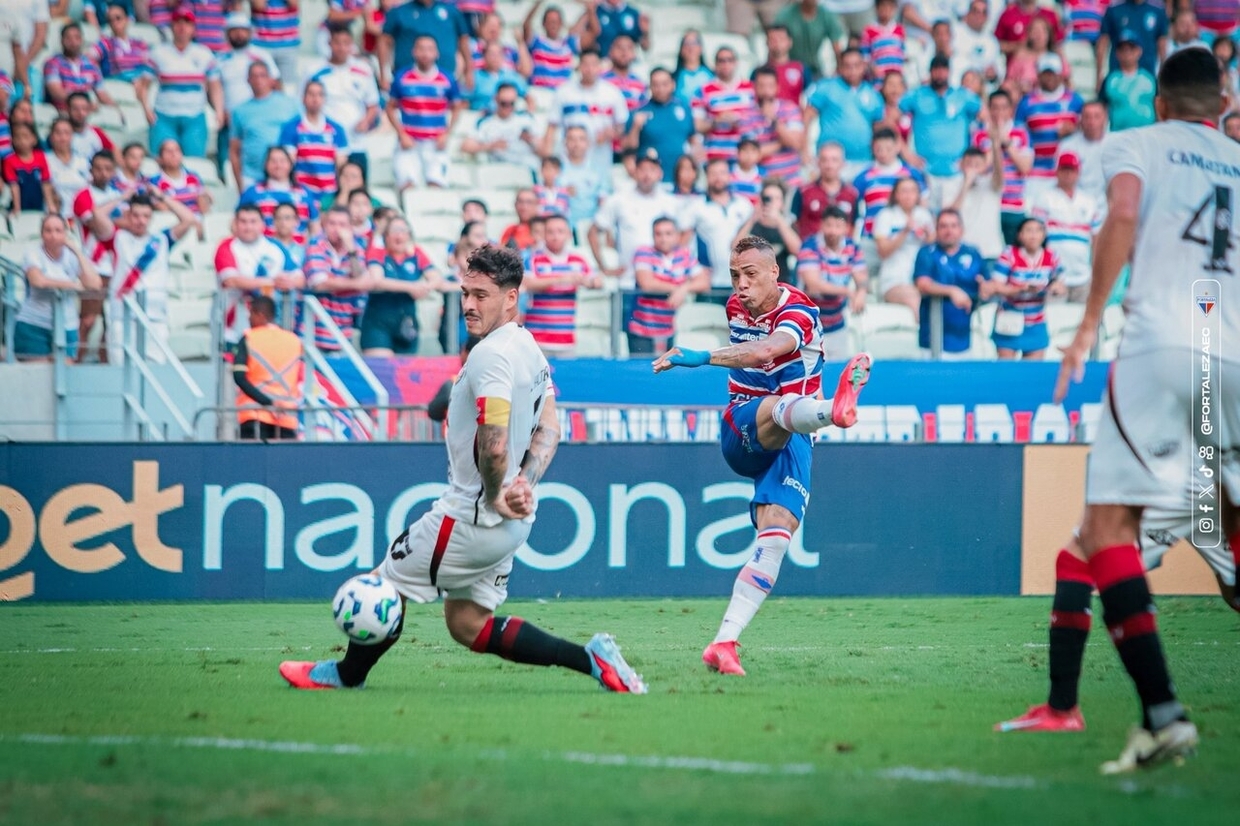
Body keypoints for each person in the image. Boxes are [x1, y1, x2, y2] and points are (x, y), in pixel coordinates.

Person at [280, 244, 648, 694]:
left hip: (470, 518)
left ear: (511, 298)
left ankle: (345, 675)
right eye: (465, 293)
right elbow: (551, 426)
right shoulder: (527, 345)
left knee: (382, 585)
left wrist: (496, 494)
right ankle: (592, 660)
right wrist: (524, 483)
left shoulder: (491, 355)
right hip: (509, 524)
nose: (469, 305)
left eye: (481, 295)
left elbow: (494, 446)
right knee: (468, 624)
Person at [1017, 48, 1240, 771]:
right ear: (1223, 104)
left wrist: (1087, 325)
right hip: (1233, 357)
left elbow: (1120, 214)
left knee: (1103, 529)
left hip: (1164, 344)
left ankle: (1162, 714)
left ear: (1161, 103)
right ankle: (1079, 707)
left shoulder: (1136, 142)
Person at [652, 235, 872, 676]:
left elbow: (768, 349)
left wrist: (701, 356)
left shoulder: (800, 312)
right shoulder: (736, 307)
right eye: (735, 275)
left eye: (750, 274)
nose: (741, 284)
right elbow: (754, 357)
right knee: (780, 405)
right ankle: (834, 410)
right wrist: (705, 356)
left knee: (775, 539)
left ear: (775, 272)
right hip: (744, 424)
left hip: (796, 436)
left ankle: (724, 643)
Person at [95, 190, 198, 363]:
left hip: (155, 317)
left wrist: (162, 197)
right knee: (119, 367)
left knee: (155, 367)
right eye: (135, 215)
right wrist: (123, 197)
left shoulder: (162, 240)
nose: (141, 220)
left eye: (146, 216)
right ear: (128, 215)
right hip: (122, 315)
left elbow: (188, 219)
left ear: (152, 218)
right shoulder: (117, 238)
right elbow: (97, 215)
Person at [215, 203, 305, 349]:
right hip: (234, 327)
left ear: (262, 224)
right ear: (235, 224)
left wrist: (289, 282)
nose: (248, 227)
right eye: (243, 222)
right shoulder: (226, 247)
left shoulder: (276, 247)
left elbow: (300, 279)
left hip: (273, 326)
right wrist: (272, 282)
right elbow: (231, 281)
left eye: (253, 221)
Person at [15, 213, 102, 362]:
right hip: (34, 324)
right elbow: (38, 281)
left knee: (66, 371)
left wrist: (77, 251)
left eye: (58, 230)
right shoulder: (33, 253)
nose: (53, 235)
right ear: (41, 233)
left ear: (65, 233)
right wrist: (73, 285)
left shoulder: (71, 256)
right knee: (39, 373)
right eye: (48, 230)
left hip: (67, 325)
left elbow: (95, 284)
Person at [589, 148, 681, 287]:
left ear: (659, 173)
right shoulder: (619, 199)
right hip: (629, 281)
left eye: (652, 169)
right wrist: (604, 267)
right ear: (635, 172)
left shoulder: (670, 202)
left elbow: (683, 236)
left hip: (665, 280)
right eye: (642, 169)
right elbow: (592, 232)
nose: (647, 175)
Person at [388, 36, 464, 193]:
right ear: (414, 52)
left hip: (436, 142)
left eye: (430, 49)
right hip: (409, 141)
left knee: (436, 187)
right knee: (407, 187)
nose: (425, 53)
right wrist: (401, 134)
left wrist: (447, 133)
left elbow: (457, 107)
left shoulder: (447, 78)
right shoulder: (402, 77)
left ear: (436, 53)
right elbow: (390, 107)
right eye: (421, 49)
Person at [360, 216, 446, 355]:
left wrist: (425, 287)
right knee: (382, 366)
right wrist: (411, 287)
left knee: (405, 367)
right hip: (379, 321)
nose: (399, 236)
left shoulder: (416, 253)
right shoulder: (378, 252)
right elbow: (377, 280)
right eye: (394, 231)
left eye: (403, 231)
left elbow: (436, 278)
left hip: (406, 322)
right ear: (386, 235)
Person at [144, 9, 223, 158]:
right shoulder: (158, 53)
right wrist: (146, 109)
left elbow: (215, 85)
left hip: (194, 115)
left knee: (194, 160)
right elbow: (143, 85)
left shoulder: (204, 53)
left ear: (193, 28)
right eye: (178, 22)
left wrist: (219, 111)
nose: (182, 27)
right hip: (164, 115)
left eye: (187, 23)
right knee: (161, 160)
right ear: (172, 26)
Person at [541, 48, 628, 183]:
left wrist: (611, 133)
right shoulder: (564, 92)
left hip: (600, 155)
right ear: (579, 66)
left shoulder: (612, 93)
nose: (590, 69)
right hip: (568, 156)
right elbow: (552, 127)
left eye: (594, 64)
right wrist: (547, 159)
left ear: (600, 66)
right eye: (586, 64)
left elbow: (622, 126)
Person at [627, 215, 710, 356]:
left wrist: (684, 289)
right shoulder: (644, 252)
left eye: (668, 233)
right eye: (658, 234)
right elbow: (647, 283)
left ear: (677, 235)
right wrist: (677, 289)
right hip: (642, 329)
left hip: (670, 329)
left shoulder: (685, 254)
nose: (663, 238)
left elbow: (704, 282)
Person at [306, 23, 381, 175]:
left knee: (356, 186)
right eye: (337, 43)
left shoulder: (363, 70)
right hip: (326, 143)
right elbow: (303, 102)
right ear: (329, 43)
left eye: (346, 43)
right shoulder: (314, 71)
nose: (341, 48)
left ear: (352, 45)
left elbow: (373, 104)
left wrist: (366, 121)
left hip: (356, 142)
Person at [985, 216, 1063, 359]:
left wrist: (1055, 288)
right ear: (1020, 235)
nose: (1033, 235)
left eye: (1038, 231)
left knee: (1033, 369)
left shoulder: (1052, 256)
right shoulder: (1009, 255)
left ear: (1044, 235)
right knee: (1007, 368)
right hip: (1009, 319)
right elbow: (996, 286)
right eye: (1028, 231)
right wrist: (1020, 289)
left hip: (1036, 321)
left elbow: (1060, 284)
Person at [72, 149, 125, 362]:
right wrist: (116, 214)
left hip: (118, 265)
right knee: (88, 319)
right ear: (91, 170)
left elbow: (129, 223)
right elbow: (100, 227)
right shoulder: (83, 195)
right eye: (99, 168)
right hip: (93, 266)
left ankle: (107, 363)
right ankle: (74, 361)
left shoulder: (118, 194)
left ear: (114, 171)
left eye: (108, 169)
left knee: (112, 321)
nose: (103, 173)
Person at [913, 208, 986, 358]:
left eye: (953, 226)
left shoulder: (973, 253)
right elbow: (922, 284)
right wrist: (952, 291)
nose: (949, 231)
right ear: (937, 229)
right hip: (933, 338)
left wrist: (986, 288)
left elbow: (987, 282)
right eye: (944, 226)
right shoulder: (927, 253)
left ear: (961, 229)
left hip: (965, 337)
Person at [797, 206, 867, 360]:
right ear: (821, 225)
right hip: (809, 326)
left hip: (837, 324)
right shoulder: (809, 247)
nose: (833, 231)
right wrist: (847, 291)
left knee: (838, 369)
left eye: (838, 226)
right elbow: (813, 285)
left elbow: (861, 277)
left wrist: (861, 293)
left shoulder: (853, 248)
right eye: (829, 225)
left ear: (846, 228)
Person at [523, 213, 600, 353]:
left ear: (569, 234)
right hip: (536, 339)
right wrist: (561, 279)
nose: (555, 236)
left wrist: (588, 282)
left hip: (565, 339)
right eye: (550, 232)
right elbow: (527, 284)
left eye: (560, 231)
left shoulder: (578, 260)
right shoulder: (533, 259)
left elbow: (598, 281)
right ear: (544, 234)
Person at [1030, 152, 1099, 303]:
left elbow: (1096, 239)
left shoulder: (1089, 201)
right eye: (1064, 169)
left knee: (1082, 315)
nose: (1068, 174)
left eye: (1072, 170)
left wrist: (1096, 271)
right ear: (1057, 171)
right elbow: (1035, 236)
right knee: (1054, 315)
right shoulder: (1044, 198)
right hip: (1053, 275)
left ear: (1078, 173)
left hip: (1083, 274)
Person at [1017, 54, 1084, 208]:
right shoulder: (1026, 103)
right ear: (1038, 75)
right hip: (1036, 174)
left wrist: (1074, 129)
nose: (1049, 78)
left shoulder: (1075, 101)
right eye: (1045, 73)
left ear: (1060, 74)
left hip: (1066, 173)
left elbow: (1088, 129)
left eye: (1053, 73)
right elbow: (1019, 136)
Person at [215, 13, 279, 175]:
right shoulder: (220, 59)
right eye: (234, 30)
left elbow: (276, 84)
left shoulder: (261, 55)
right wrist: (220, 111)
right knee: (226, 165)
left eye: (243, 30)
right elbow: (214, 89)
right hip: (229, 121)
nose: (239, 34)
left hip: (257, 120)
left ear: (250, 32)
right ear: (227, 33)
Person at [233, 294, 303, 441]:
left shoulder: (249, 338)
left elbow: (239, 377)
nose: (249, 319)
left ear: (260, 315)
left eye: (251, 314)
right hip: (286, 416)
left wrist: (268, 403)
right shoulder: (294, 341)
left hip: (254, 414)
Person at [680, 157, 754, 292]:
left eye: (722, 173)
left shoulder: (744, 204)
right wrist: (693, 269)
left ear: (729, 176)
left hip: (742, 281)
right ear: (706, 177)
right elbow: (683, 244)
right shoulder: (696, 206)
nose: (718, 177)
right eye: (713, 173)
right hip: (709, 282)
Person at [973, 89, 1034, 245]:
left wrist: (1006, 142)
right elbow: (980, 168)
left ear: (1011, 109)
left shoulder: (1021, 133)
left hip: (1014, 205)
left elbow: (1025, 167)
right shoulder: (979, 134)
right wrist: (994, 142)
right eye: (995, 107)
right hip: (988, 203)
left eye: (1003, 107)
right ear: (989, 109)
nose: (999, 112)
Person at [304, 205, 369, 350]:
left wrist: (351, 252)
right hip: (313, 331)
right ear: (324, 225)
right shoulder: (315, 245)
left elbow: (358, 274)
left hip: (343, 330)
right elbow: (320, 283)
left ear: (350, 227)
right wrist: (356, 284)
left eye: (342, 225)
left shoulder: (355, 248)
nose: (336, 229)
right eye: (332, 223)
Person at [230, 61, 300, 190]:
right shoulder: (239, 111)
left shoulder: (290, 104)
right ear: (248, 80)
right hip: (252, 176)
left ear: (270, 79)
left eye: (262, 75)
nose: (258, 80)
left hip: (284, 177)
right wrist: (240, 185)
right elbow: (234, 151)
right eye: (254, 76)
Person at [873, 177, 935, 319]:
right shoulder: (886, 215)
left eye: (913, 191)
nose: (909, 195)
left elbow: (932, 247)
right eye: (904, 191)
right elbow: (882, 251)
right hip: (894, 280)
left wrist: (929, 237)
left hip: (921, 278)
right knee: (917, 302)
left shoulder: (924, 215)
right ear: (896, 194)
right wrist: (905, 231)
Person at [280, 80, 349, 206]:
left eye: (319, 95)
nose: (315, 99)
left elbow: (342, 166)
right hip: (302, 196)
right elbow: (288, 165)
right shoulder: (291, 128)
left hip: (330, 196)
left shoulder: (336, 129)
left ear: (324, 99)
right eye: (311, 94)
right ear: (303, 98)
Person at [626, 67, 697, 184]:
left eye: (665, 84)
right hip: (651, 182)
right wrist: (636, 127)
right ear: (650, 86)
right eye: (656, 85)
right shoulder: (640, 112)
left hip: (680, 181)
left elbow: (693, 139)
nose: (660, 89)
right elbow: (627, 148)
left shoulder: (684, 108)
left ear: (673, 84)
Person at [239, 146, 320, 244]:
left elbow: (315, 227)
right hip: (263, 249)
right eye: (273, 161)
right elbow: (237, 224)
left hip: (298, 249)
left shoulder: (305, 193)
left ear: (290, 164)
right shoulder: (252, 192)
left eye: (282, 161)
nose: (278, 165)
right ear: (265, 164)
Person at [745, 66, 805, 189]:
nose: (766, 91)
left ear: (777, 87)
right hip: (762, 182)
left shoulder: (790, 109)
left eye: (770, 86)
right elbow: (751, 154)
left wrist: (774, 120)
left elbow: (797, 143)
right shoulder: (747, 115)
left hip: (792, 180)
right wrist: (783, 142)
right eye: (761, 86)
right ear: (754, 87)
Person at [460, 82, 540, 172]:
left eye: (511, 103)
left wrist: (530, 140)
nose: (508, 107)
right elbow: (466, 146)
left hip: (526, 167)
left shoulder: (526, 119)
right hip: (498, 170)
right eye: (504, 103)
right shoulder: (485, 122)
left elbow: (544, 149)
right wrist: (491, 146)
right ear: (496, 99)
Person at [736, 178, 801, 285]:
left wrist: (779, 220)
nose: (772, 202)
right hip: (753, 284)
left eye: (777, 198)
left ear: (783, 202)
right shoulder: (751, 223)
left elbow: (797, 251)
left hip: (781, 283)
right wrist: (752, 219)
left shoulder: (788, 224)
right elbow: (735, 248)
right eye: (768, 198)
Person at [792, 142, 859, 241]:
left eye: (834, 160)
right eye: (824, 160)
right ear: (817, 162)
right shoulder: (803, 192)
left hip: (842, 249)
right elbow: (794, 224)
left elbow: (854, 226)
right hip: (809, 248)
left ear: (843, 163)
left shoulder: (852, 194)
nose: (829, 165)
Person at [42, 22, 115, 112]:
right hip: (64, 111)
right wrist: (81, 104)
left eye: (77, 38)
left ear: (82, 40)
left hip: (88, 110)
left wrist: (116, 109)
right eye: (68, 38)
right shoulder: (52, 63)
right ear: (61, 41)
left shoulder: (92, 64)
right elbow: (56, 92)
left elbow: (101, 92)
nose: (73, 42)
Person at [1096, 0, 1167, 85]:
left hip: (1147, 74)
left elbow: (1162, 45)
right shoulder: (1114, 9)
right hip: (1118, 75)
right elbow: (1103, 43)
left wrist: (1163, 75)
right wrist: (1099, 75)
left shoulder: (1157, 10)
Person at [1098, 33, 1157, 132]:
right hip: (1118, 133)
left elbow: (1159, 104)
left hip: (1147, 132)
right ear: (1117, 53)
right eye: (1123, 49)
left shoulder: (1150, 79)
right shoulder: (1110, 80)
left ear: (1139, 51)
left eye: (1131, 49)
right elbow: (1102, 107)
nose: (1127, 52)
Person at [523, 0, 586, 90]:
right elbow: (526, 25)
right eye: (550, 22)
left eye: (556, 22)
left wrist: (589, 7)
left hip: (562, 93)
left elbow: (589, 31)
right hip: (540, 91)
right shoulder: (536, 42)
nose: (553, 25)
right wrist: (537, 3)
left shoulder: (568, 44)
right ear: (543, 24)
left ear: (561, 24)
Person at [1058, 100, 1108, 203]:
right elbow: (1062, 180)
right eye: (1087, 117)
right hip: (1075, 203)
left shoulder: (1116, 144)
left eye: (1097, 116)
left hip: (1107, 203)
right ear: (1080, 119)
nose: (1091, 122)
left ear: (1105, 118)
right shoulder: (1067, 146)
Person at [149, 137, 211, 218]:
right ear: (160, 158)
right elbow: (163, 209)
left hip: (198, 220)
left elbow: (204, 208)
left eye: (177, 150)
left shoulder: (193, 176)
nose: (174, 154)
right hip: (173, 222)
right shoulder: (154, 182)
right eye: (169, 151)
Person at [2, 121, 53, 215]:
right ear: (12, 140)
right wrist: (17, 208)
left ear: (34, 139)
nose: (21, 141)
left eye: (25, 136)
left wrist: (50, 206)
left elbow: (45, 183)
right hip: (21, 202)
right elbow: (14, 185)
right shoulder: (9, 160)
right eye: (17, 137)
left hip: (38, 202)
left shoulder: (40, 156)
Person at [45, 118, 90, 219]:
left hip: (83, 216)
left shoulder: (83, 161)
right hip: (54, 216)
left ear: (72, 136)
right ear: (51, 136)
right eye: (58, 133)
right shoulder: (45, 160)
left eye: (66, 133)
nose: (62, 137)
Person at [860, 0, 906, 79]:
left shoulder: (900, 29)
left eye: (890, 6)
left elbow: (903, 52)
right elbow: (865, 56)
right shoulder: (869, 30)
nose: (886, 10)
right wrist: (872, 68)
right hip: (878, 76)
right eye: (883, 6)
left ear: (894, 9)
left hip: (896, 75)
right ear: (876, 8)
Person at [673, 30, 713, 102]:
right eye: (686, 43)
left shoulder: (712, 75)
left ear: (701, 48)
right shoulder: (673, 78)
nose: (691, 48)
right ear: (681, 50)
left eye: (695, 43)